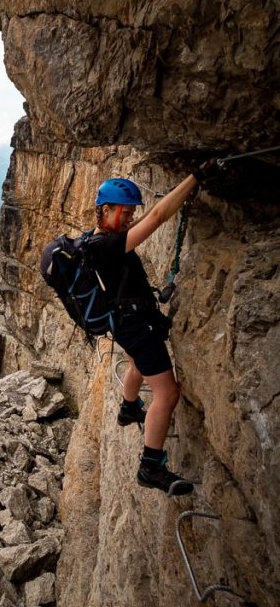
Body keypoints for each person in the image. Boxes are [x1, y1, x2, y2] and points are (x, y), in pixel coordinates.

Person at [87, 165, 214, 496]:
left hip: (125, 323)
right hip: (137, 327)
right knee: (167, 394)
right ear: (105, 209)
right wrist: (195, 177)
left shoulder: (95, 241)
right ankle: (151, 466)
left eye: (131, 213)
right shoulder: (108, 246)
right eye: (124, 212)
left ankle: (129, 407)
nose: (129, 218)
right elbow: (157, 217)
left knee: (137, 366)